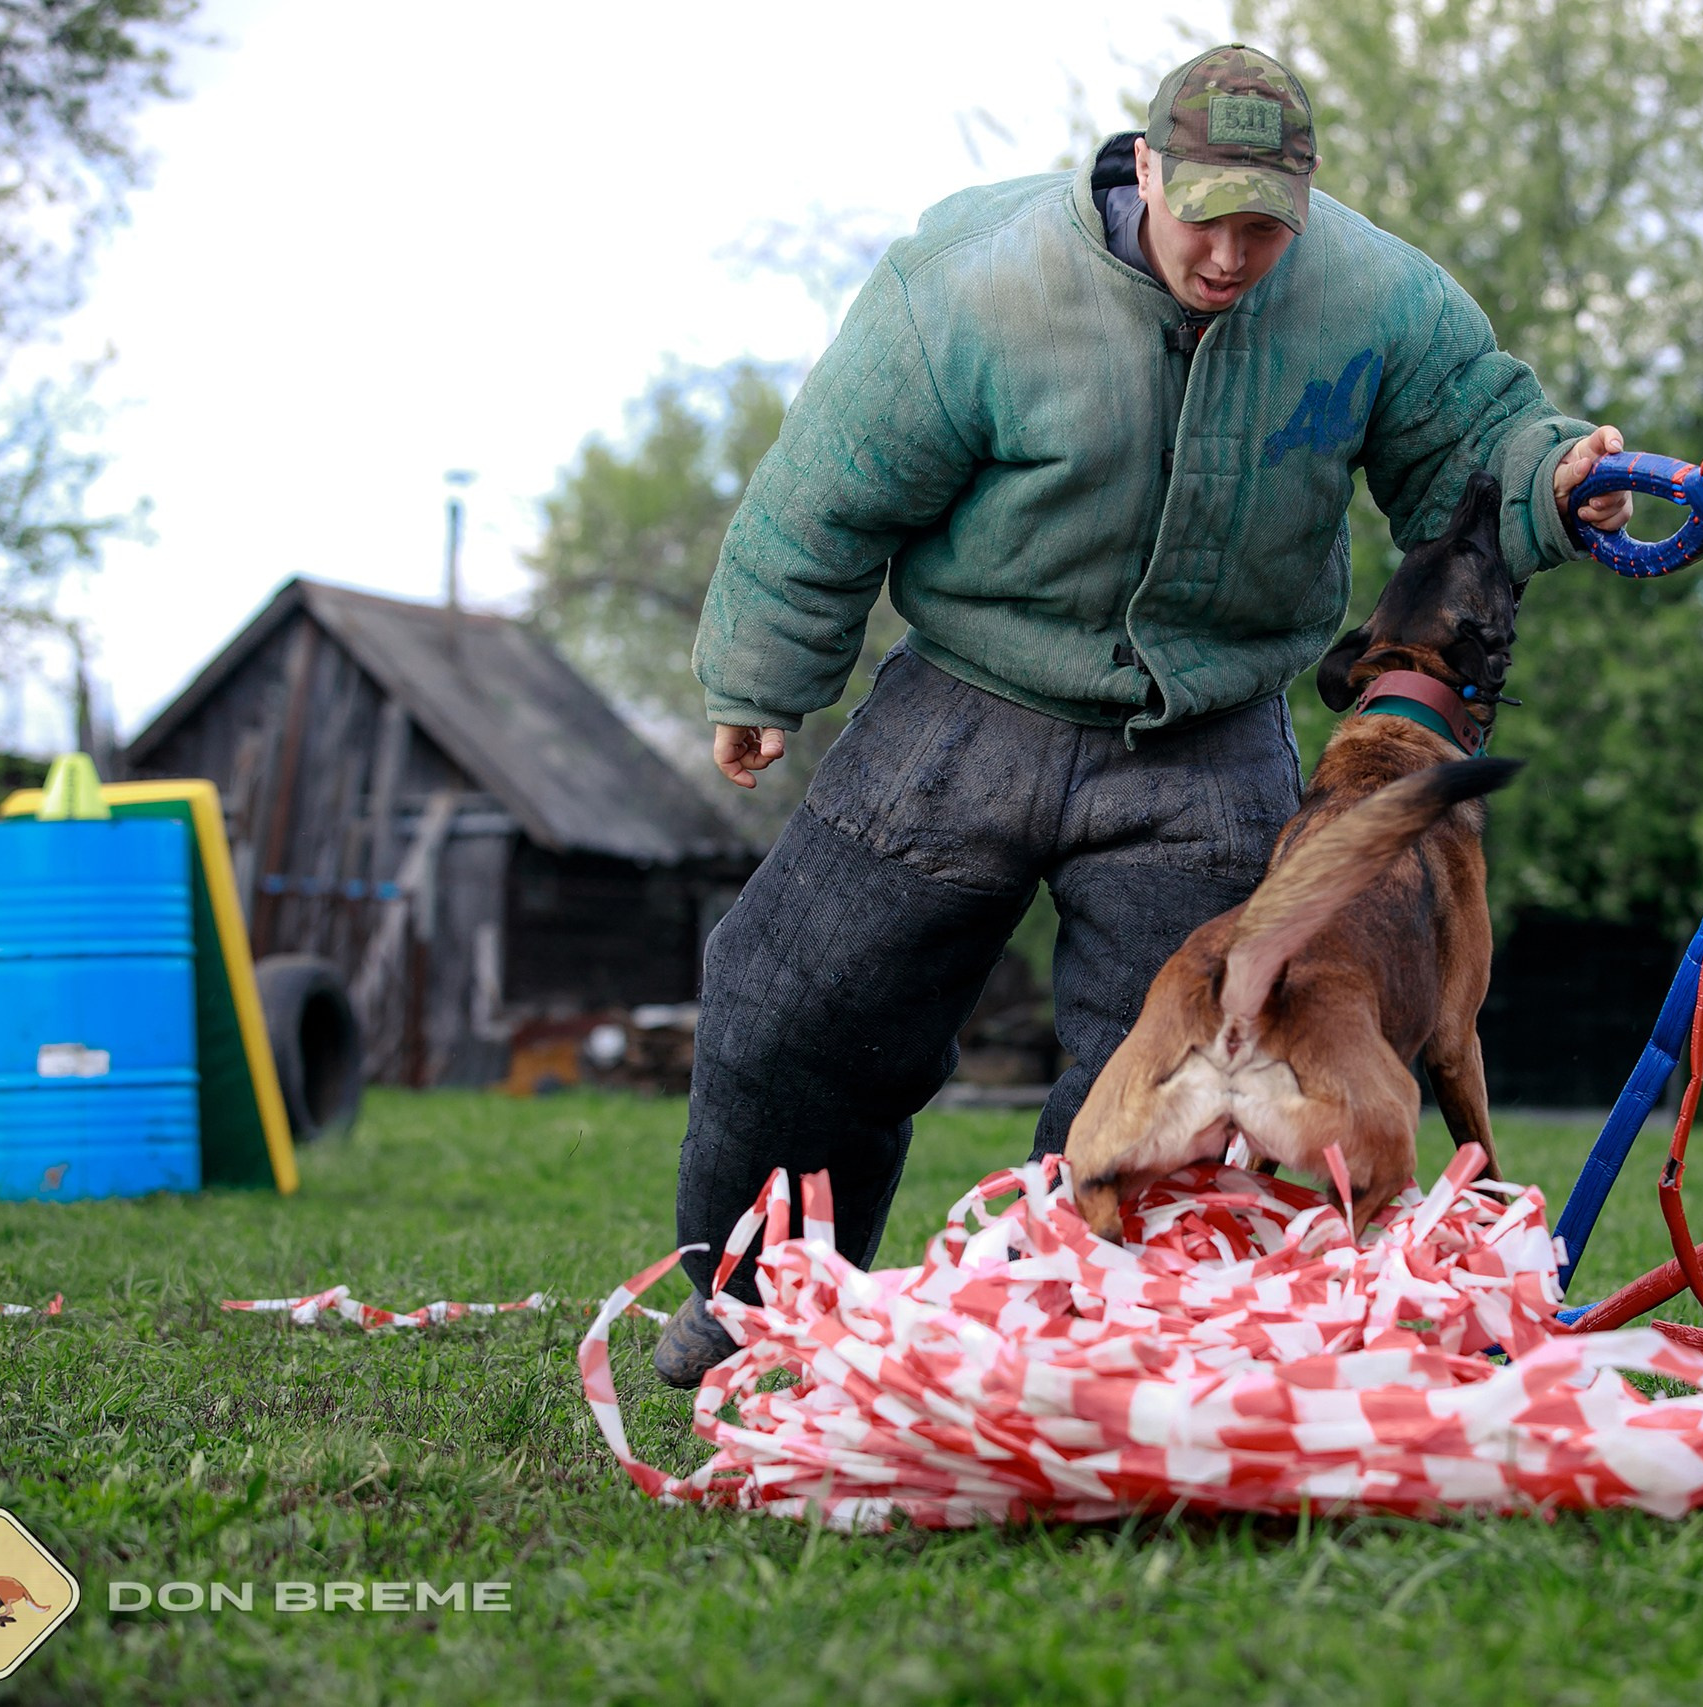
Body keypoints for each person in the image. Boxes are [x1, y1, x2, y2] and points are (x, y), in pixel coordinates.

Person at [656, 43, 1631, 1385]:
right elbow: (832, 480)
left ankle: (1064, 1347)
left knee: (1167, 1061)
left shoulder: (1378, 299)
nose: (1231, 254)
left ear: (1306, 203)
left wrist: (1555, 481)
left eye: (1264, 227)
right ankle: (752, 1304)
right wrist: (764, 669)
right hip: (970, 700)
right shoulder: (976, 279)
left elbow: (1480, 446)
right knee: (793, 1001)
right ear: (1146, 167)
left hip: (1209, 731)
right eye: (1205, 214)